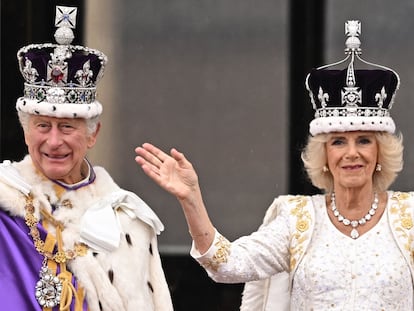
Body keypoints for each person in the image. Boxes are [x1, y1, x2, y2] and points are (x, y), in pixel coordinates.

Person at [135, 20, 413, 310]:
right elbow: (225, 265)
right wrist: (191, 198)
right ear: (325, 156)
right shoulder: (298, 220)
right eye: (339, 142)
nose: (352, 153)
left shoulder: (409, 216)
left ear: (381, 152)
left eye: (365, 141)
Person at [0, 6, 173, 311]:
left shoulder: (129, 220)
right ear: (26, 132)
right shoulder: (5, 204)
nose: (54, 142)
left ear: (92, 134)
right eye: (42, 126)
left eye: (67, 127)